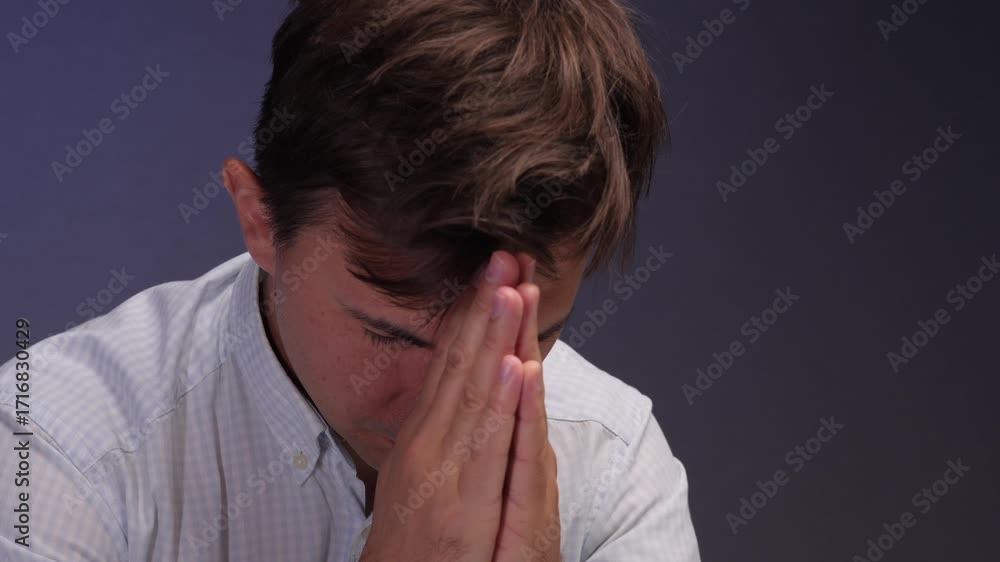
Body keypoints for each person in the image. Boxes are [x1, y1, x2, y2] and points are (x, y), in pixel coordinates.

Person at [0, 0, 700, 560]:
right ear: (261, 220)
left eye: (526, 335)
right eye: (391, 334)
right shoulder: (47, 446)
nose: (446, 404)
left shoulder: (613, 466)